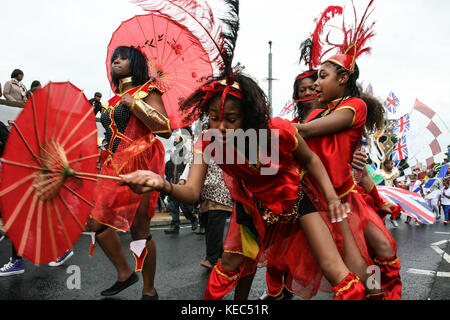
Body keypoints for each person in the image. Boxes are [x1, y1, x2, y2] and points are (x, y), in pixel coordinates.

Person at [121, 68, 373, 300]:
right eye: (213, 118)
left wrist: (330, 198)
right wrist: (161, 184)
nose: (220, 127)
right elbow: (191, 193)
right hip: (252, 206)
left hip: (296, 201)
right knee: (230, 265)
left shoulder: (277, 132)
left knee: (333, 268)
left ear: (248, 116)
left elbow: (311, 159)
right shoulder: (208, 143)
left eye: (231, 119)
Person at [292, 1, 401, 300]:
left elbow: (313, 131)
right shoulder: (321, 110)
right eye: (314, 79)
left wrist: (286, 128)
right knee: (354, 261)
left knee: (379, 250)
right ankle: (374, 292)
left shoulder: (354, 106)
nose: (316, 83)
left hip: (343, 195)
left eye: (322, 76)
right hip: (321, 194)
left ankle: (379, 292)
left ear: (343, 79)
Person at [87, 45, 171, 300]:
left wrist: (135, 103)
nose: (117, 61)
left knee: (140, 231)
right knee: (94, 223)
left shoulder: (148, 90)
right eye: (114, 58)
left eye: (123, 58)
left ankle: (149, 290)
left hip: (141, 162)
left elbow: (165, 129)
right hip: (114, 164)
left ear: (135, 63)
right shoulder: (112, 99)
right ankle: (125, 273)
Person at [180, 141, 233, 270]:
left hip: (221, 192)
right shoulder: (201, 145)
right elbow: (191, 165)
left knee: (215, 226)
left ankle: (212, 258)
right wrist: (183, 178)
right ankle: (219, 256)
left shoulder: (228, 144)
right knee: (209, 226)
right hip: (206, 192)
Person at [164, 136, 198, 234]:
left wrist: (184, 179)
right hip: (172, 183)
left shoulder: (186, 153)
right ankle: (175, 225)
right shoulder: (173, 153)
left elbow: (189, 167)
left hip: (182, 184)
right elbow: (168, 169)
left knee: (184, 207)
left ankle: (193, 219)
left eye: (177, 139)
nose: (175, 140)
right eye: (174, 139)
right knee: (173, 206)